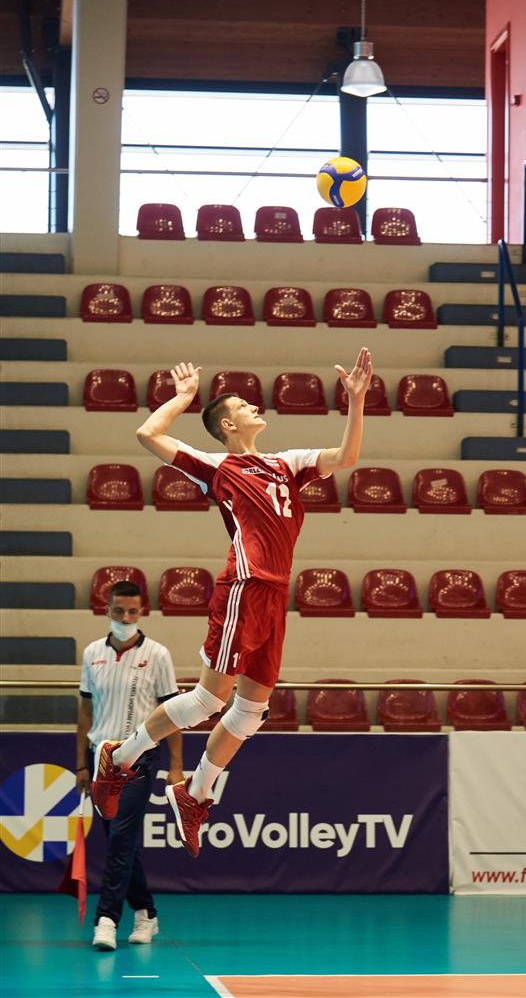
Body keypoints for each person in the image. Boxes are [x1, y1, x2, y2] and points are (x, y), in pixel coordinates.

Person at [91, 349, 373, 858]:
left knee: (250, 712)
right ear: (227, 423)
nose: (254, 407)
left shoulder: (286, 463)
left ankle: (194, 793)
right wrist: (182, 399)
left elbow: (346, 457)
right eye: (243, 405)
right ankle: (120, 755)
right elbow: (148, 434)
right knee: (208, 701)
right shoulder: (218, 466)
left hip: (276, 594)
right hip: (244, 585)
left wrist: (356, 402)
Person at [77, 580, 184, 950]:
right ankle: (145, 912)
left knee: (121, 836)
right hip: (100, 757)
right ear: (107, 609)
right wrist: (81, 764)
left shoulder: (158, 655)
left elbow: (172, 715)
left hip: (139, 757)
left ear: (143, 611)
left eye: (132, 611)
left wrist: (175, 766)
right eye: (119, 610)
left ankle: (106, 920)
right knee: (119, 841)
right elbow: (85, 711)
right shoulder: (92, 653)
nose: (125, 617)